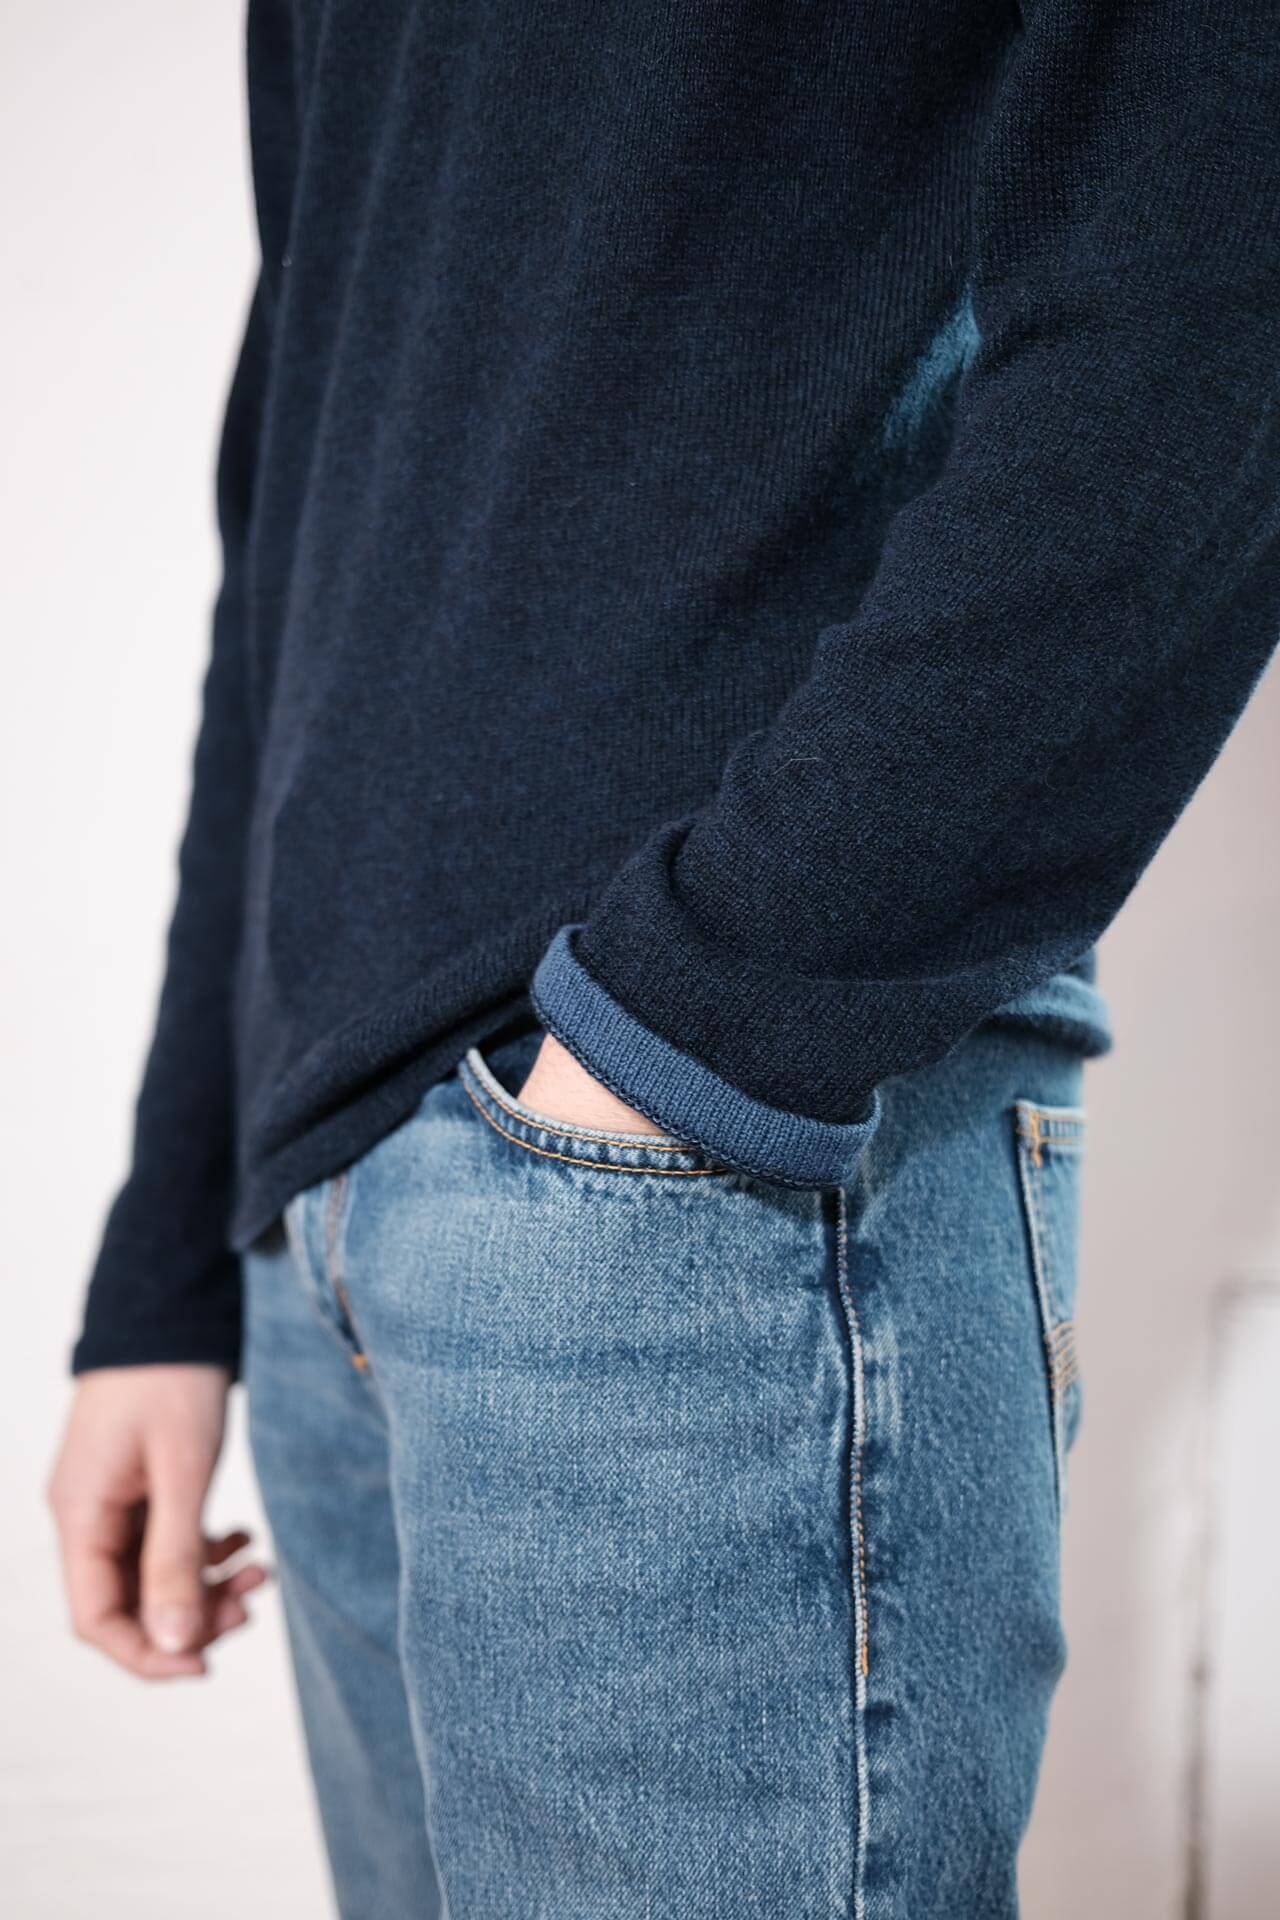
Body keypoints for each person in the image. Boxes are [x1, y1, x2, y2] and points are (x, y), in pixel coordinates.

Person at [49, 2, 1279, 1914]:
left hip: (708, 1165)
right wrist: (167, 1261)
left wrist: (711, 1027)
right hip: (329, 1218)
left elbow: (1214, 273)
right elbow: (295, 489)